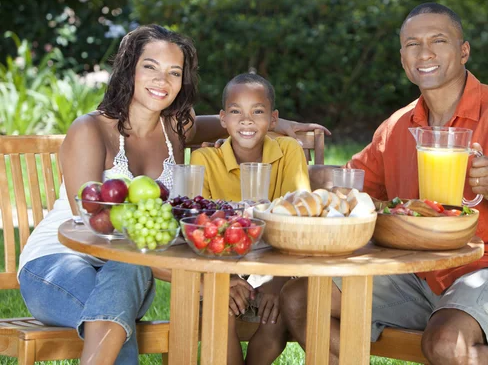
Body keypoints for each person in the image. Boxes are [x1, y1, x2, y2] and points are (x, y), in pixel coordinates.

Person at [17, 24, 329, 365]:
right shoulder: (90, 130)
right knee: (113, 317)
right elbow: (93, 227)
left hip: (133, 271)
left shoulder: (175, 127)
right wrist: (204, 284)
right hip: (57, 265)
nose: (161, 81)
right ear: (129, 69)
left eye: (174, 72)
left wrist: (274, 123)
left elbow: (223, 122)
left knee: (123, 285)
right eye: (150, 67)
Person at [280, 3, 488, 365]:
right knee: (300, 299)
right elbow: (351, 185)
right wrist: (282, 161)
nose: (425, 52)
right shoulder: (398, 126)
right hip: (417, 273)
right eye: (413, 44)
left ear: (464, 51)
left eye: (438, 40)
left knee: (448, 342)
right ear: (403, 57)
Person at [190, 72, 310, 365]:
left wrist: (276, 281)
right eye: (236, 112)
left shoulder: (288, 151)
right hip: (220, 267)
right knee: (221, 307)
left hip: (276, 264)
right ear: (222, 119)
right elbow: (197, 230)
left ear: (272, 119)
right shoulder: (205, 161)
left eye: (257, 111)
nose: (246, 120)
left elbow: (298, 221)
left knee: (279, 311)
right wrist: (227, 277)